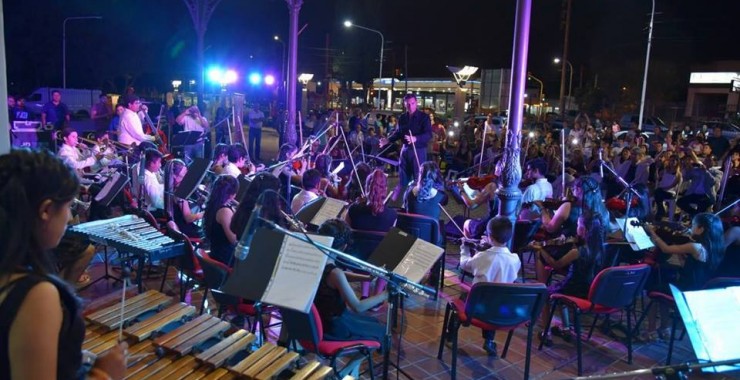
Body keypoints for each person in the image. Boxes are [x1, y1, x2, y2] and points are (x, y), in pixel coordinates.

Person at [0, 149, 127, 379]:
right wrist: (103, 373)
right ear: (46, 210)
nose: (69, 217)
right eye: (68, 206)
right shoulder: (37, 295)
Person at [643, 213, 725, 340]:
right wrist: (683, 257)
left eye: (693, 225)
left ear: (701, 229)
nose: (690, 228)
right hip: (698, 289)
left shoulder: (695, 246)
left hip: (685, 291)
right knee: (663, 285)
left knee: (650, 292)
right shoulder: (717, 248)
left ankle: (651, 331)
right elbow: (697, 268)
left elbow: (666, 249)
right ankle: (665, 329)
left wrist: (652, 232)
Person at [536, 212, 607, 344]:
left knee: (544, 294)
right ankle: (566, 329)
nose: (576, 228)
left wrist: (541, 249)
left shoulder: (578, 251)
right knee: (559, 289)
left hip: (574, 287)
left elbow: (555, 264)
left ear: (584, 230)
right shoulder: (600, 248)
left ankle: (546, 333)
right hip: (590, 288)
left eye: (578, 226)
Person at [314, 219, 388, 344]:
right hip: (333, 327)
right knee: (380, 331)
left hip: (319, 320)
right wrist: (386, 295)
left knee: (373, 323)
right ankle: (352, 364)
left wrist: (368, 278)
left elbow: (337, 276)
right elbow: (358, 307)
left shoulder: (316, 261)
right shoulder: (335, 273)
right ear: (343, 246)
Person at [457, 216, 521, 356]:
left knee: (461, 299)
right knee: (494, 298)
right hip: (501, 309)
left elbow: (464, 265)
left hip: (477, 308)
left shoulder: (483, 257)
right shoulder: (515, 259)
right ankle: (489, 341)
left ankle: (451, 332)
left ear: (490, 236)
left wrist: (464, 249)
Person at [380, 94, 432, 200]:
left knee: (418, 177)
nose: (410, 106)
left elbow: (428, 134)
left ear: (416, 103)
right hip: (405, 150)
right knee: (403, 178)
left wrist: (415, 138)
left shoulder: (424, 117)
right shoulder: (403, 117)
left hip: (418, 150)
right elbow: (398, 133)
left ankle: (418, 201)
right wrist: (388, 140)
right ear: (404, 105)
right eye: (407, 104)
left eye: (412, 103)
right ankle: (402, 201)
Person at [203, 175, 239, 266]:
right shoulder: (225, 211)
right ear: (232, 195)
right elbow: (234, 240)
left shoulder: (214, 202)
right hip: (223, 258)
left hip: (217, 251)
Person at [164, 159, 204, 239]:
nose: (186, 178)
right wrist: (205, 213)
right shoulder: (179, 193)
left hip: (178, 225)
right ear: (175, 176)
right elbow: (188, 218)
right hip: (184, 230)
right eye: (183, 175)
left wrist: (198, 202)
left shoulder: (168, 189)